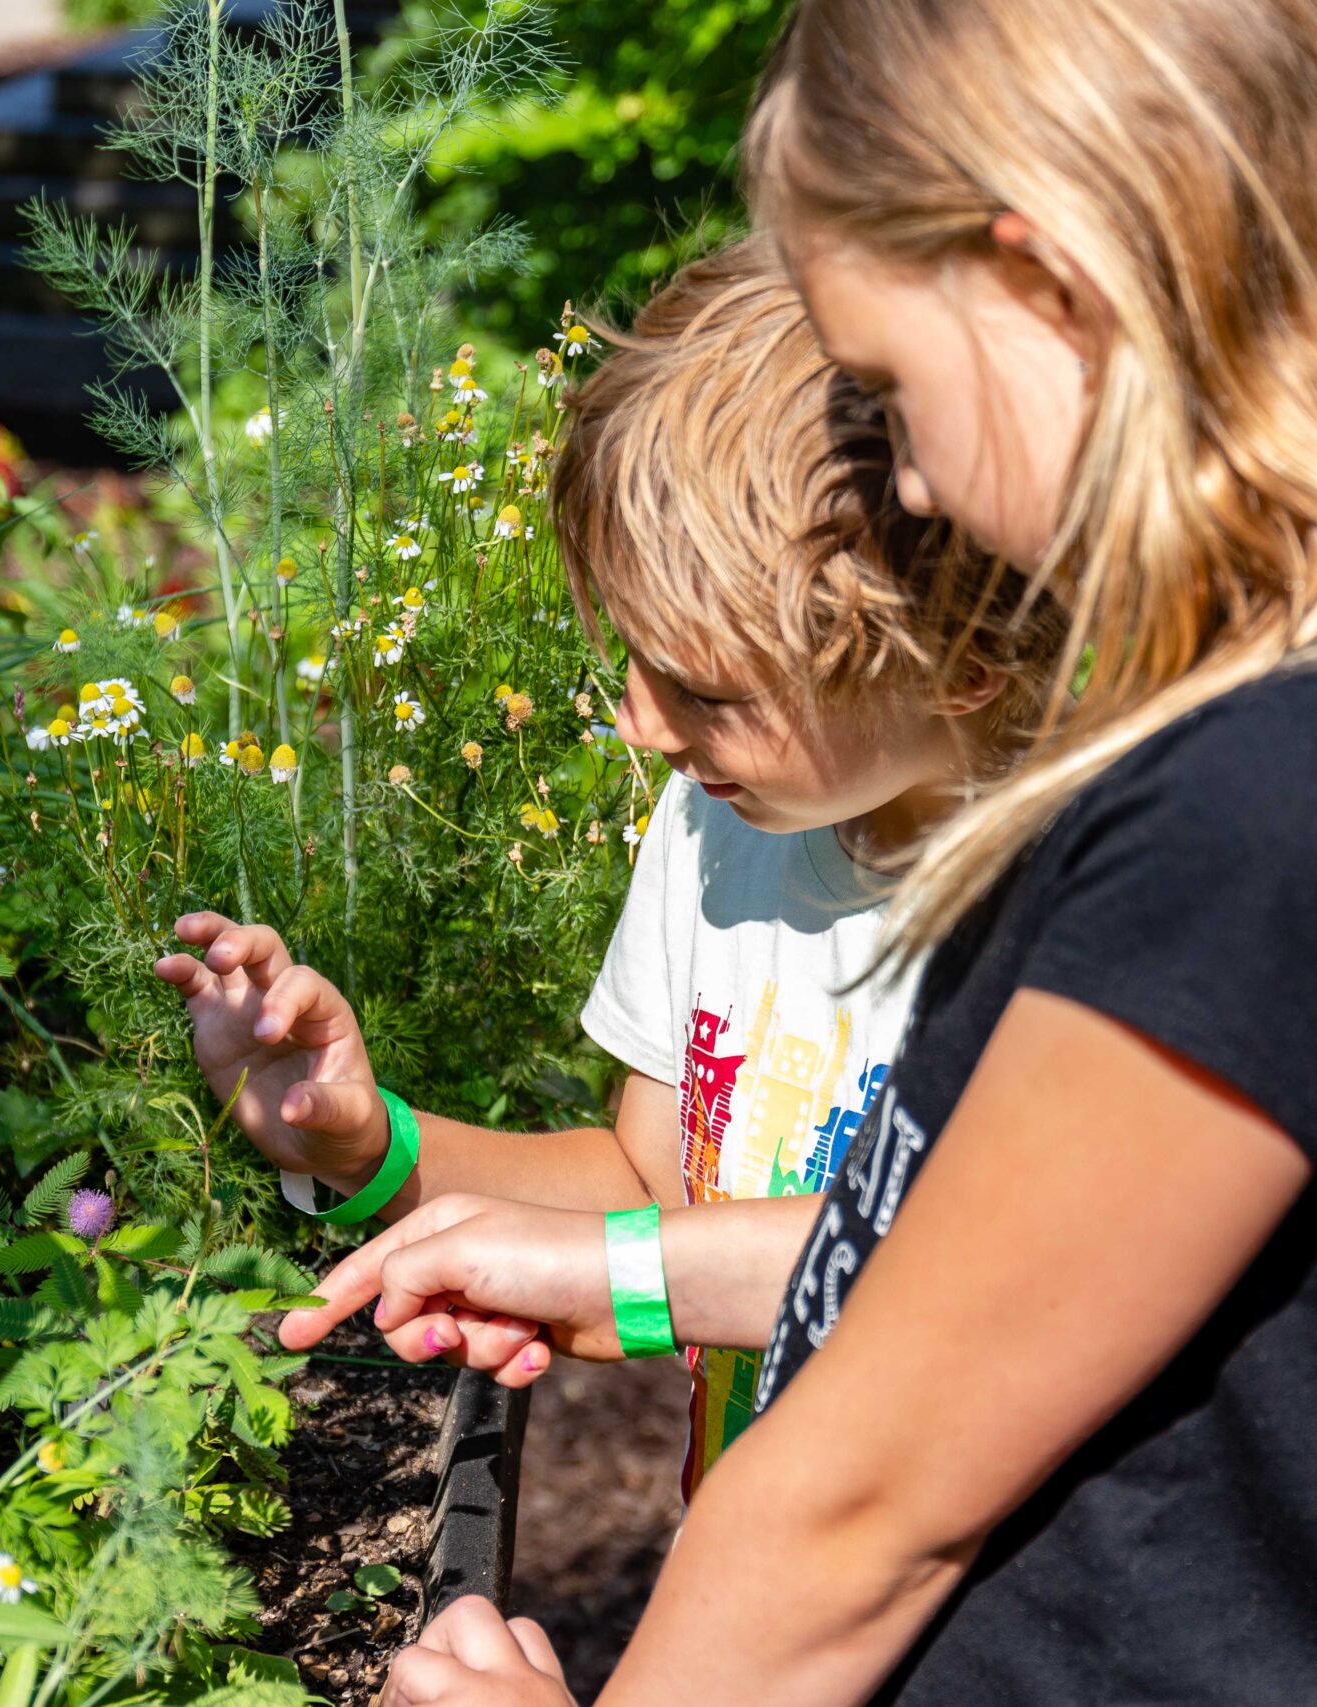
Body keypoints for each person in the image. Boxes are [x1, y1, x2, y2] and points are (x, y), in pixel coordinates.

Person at [287, 1, 1317, 1702]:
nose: (920, 496)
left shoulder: (1285, 801)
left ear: (1049, 285)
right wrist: (622, 1268)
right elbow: (994, 1245)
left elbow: (863, 1513)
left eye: (889, 386)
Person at [152, 241, 1062, 1474]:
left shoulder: (1079, 902)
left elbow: (1009, 1276)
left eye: (703, 686)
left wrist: (625, 1284)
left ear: (958, 660)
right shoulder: (723, 828)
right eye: (632, 656)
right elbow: (650, 1186)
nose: (637, 721)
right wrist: (368, 1150)